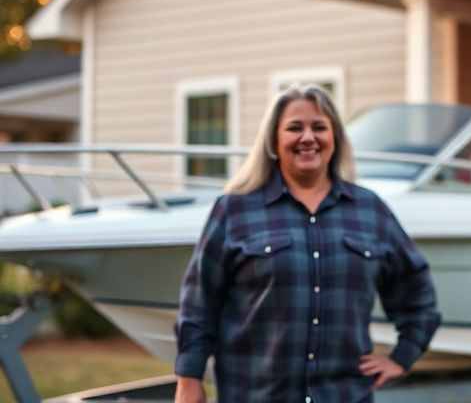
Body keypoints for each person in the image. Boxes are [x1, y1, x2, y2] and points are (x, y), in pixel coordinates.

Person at [174, 85, 441, 402]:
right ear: (274, 140)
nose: (308, 137)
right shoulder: (234, 210)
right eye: (294, 128)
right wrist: (188, 379)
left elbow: (416, 288)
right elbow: (199, 304)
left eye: (319, 127)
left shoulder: (371, 211)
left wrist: (403, 355)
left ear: (335, 138)